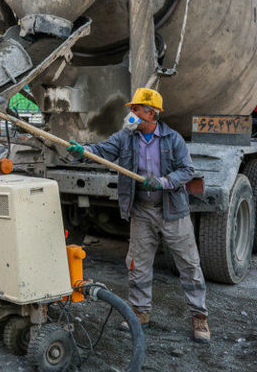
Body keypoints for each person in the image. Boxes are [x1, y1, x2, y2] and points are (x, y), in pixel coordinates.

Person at [67, 88, 210, 343]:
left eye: (136, 109)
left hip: (172, 210)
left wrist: (163, 182)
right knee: (137, 265)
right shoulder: (126, 136)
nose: (131, 114)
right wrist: (83, 151)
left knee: (189, 265)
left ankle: (199, 317)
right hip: (141, 210)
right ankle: (140, 312)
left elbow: (187, 170)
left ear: (151, 113)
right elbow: (102, 151)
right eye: (131, 109)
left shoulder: (173, 139)